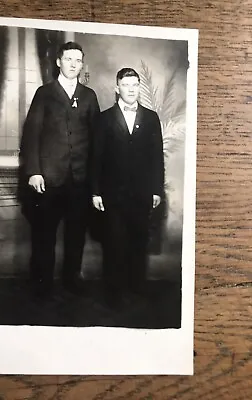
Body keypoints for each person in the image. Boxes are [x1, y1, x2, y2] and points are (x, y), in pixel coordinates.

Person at [20, 41, 100, 298]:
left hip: (79, 178)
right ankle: (42, 283)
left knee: (76, 233)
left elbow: (97, 141)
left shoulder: (89, 96)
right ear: (58, 62)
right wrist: (34, 171)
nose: (73, 64)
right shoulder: (44, 93)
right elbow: (31, 135)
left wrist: (95, 181)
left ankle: (72, 279)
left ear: (82, 64)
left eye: (78, 60)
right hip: (49, 177)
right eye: (68, 59)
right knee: (44, 233)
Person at [91, 67, 164, 305]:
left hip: (142, 193)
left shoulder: (151, 118)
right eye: (126, 85)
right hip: (113, 194)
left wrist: (156, 189)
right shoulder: (104, 118)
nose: (131, 90)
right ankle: (113, 291)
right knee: (114, 242)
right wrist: (95, 191)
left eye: (135, 85)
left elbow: (156, 157)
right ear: (117, 88)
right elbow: (96, 158)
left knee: (138, 240)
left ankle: (137, 285)